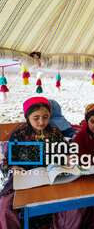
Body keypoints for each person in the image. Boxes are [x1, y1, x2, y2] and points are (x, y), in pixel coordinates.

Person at [0, 97, 63, 228]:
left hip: (52, 177)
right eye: (36, 118)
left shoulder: (55, 133)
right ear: (27, 117)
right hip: (24, 179)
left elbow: (63, 152)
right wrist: (14, 167)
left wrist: (66, 157)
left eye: (45, 117)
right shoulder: (18, 136)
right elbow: (6, 162)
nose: (42, 122)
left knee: (70, 201)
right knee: (6, 208)